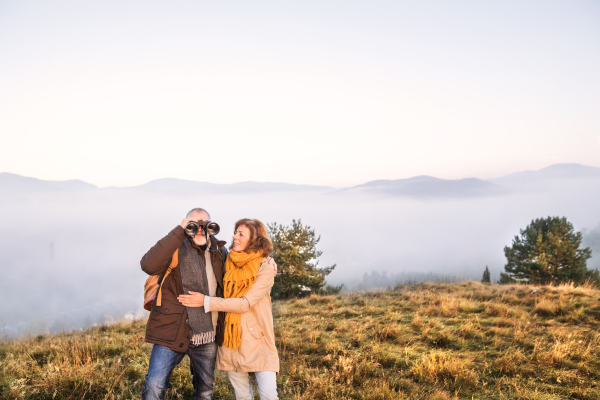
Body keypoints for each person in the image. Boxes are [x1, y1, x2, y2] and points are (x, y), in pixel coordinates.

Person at [140, 209, 276, 400]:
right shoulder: (175, 248)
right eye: (194, 225)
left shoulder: (220, 252)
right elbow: (148, 265)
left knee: (205, 390)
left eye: (204, 225)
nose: (200, 229)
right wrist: (180, 230)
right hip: (171, 330)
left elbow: (245, 273)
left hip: (207, 334)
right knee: (154, 386)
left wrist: (265, 259)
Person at [178, 218, 279, 400]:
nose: (235, 237)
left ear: (255, 240)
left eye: (241, 234)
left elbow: (245, 303)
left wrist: (206, 302)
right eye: (235, 232)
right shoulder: (227, 260)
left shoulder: (265, 267)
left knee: (269, 396)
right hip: (232, 341)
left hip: (258, 341)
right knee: (242, 397)